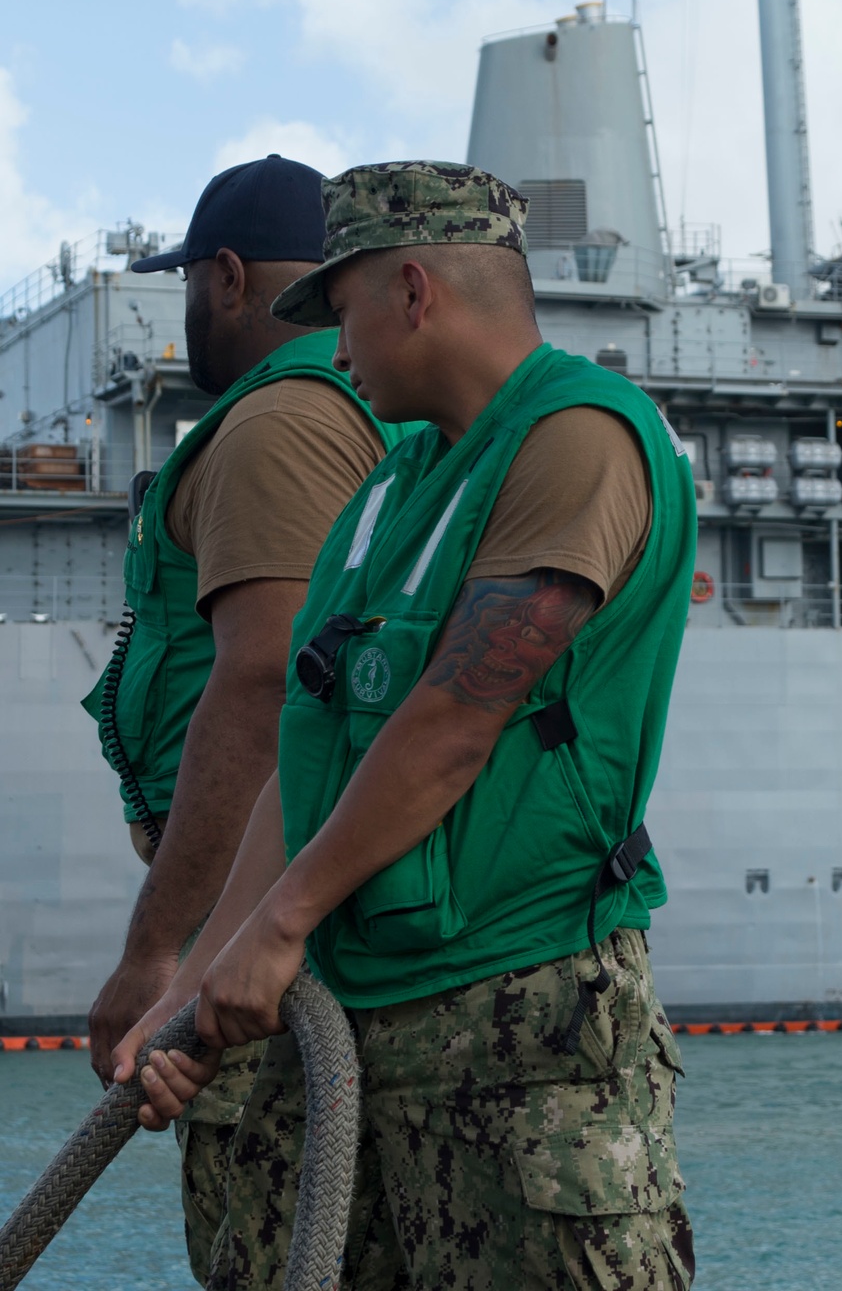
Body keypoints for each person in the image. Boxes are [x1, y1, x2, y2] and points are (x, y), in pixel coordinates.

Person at [115, 161, 698, 1290]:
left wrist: (279, 929)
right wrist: (204, 974)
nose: (336, 355)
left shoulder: (579, 438)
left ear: (413, 291)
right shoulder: (387, 491)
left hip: (528, 1029)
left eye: (342, 316)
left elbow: (452, 722)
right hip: (371, 1033)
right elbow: (310, 755)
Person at [83, 154, 417, 1288]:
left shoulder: (273, 427)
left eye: (187, 283)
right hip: (288, 921)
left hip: (257, 947)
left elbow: (266, 680)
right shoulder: (342, 416)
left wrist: (157, 953)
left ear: (225, 277)